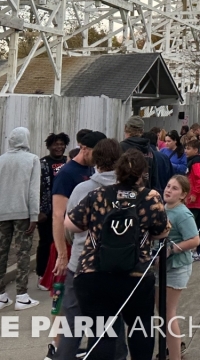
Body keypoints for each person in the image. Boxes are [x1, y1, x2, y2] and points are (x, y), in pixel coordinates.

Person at [66, 149, 170, 360]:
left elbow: (70, 224)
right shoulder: (151, 198)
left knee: (101, 334)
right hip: (136, 275)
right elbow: (162, 232)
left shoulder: (97, 195)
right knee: (140, 329)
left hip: (94, 272)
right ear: (143, 173)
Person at [54, 138, 122, 360]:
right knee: (113, 322)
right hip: (118, 265)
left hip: (82, 263)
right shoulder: (132, 191)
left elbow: (68, 227)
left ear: (96, 161)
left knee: (73, 322)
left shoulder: (82, 189)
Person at [0, 127, 41, 311]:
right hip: (23, 213)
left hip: (2, 212)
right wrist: (34, 215)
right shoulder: (32, 159)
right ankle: (22, 295)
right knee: (23, 253)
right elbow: (33, 190)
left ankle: (0, 295)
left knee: (0, 253)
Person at [50, 131, 104, 283]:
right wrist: (62, 255)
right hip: (69, 242)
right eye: (97, 153)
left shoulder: (92, 170)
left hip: (87, 245)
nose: (99, 157)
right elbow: (58, 215)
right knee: (64, 295)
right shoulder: (66, 174)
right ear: (84, 149)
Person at [161, 175, 199, 360]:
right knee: (162, 312)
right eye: (168, 186)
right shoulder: (163, 209)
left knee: (168, 313)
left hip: (177, 268)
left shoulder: (182, 214)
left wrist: (171, 249)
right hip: (162, 268)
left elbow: (195, 240)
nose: (168, 190)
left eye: (174, 188)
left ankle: (175, 356)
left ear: (183, 195)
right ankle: (172, 346)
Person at [37, 133, 70, 282]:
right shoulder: (42, 163)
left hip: (65, 210)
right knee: (46, 242)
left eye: (62, 144)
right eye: (56, 144)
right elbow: (36, 188)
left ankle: (59, 274)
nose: (59, 147)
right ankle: (42, 274)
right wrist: (39, 210)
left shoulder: (68, 162)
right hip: (46, 212)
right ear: (49, 146)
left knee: (62, 243)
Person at [119, 116, 173, 194]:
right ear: (142, 131)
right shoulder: (149, 150)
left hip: (124, 196)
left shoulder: (121, 148)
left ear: (125, 128)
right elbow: (154, 179)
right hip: (145, 196)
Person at [184, 139, 200, 261]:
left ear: (195, 150)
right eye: (186, 148)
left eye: (188, 149)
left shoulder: (196, 163)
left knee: (195, 224)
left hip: (196, 199)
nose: (186, 151)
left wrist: (194, 194)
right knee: (198, 223)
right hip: (196, 198)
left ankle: (199, 248)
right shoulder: (192, 161)